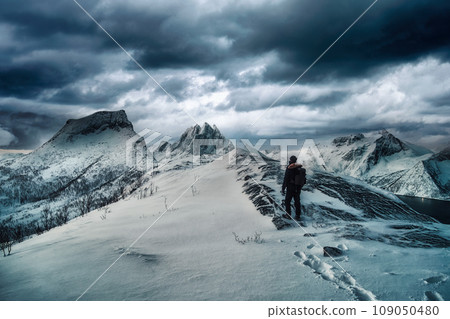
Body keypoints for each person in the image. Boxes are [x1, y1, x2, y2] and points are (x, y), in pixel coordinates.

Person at [281, 155, 305, 221]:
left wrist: (283, 188)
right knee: (297, 201)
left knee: (287, 201)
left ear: (290, 160)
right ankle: (298, 216)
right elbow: (304, 179)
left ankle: (288, 215)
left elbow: (286, 178)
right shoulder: (300, 168)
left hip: (291, 187)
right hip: (298, 188)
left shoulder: (289, 168)